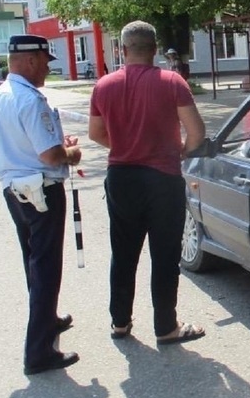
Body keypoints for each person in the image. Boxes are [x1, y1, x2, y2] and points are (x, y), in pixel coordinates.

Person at [88, 20, 207, 344]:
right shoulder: (172, 81)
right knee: (165, 255)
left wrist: (127, 146)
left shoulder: (104, 85)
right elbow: (197, 133)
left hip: (122, 177)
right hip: (163, 178)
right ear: (155, 50)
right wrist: (178, 152)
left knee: (123, 252)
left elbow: (95, 133)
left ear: (122, 50)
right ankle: (166, 327)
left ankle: (120, 323)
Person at [0, 34, 82, 375]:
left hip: (15, 189)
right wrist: (72, 153)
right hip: (41, 189)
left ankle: (47, 320)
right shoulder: (30, 99)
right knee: (46, 267)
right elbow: (51, 155)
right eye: (43, 62)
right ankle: (39, 351)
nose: (46, 69)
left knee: (33, 261)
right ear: (28, 61)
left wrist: (57, 145)